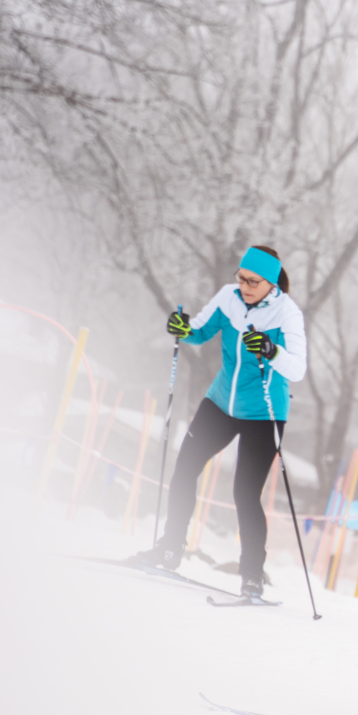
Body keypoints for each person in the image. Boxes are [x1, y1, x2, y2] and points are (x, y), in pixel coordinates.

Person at [135, 246, 307, 599]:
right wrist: (181, 329)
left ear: (271, 284)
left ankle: (252, 576)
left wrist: (271, 350)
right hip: (221, 401)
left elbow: (297, 369)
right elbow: (199, 331)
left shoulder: (288, 314)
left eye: (253, 281)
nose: (244, 286)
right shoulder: (228, 298)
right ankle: (170, 548)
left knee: (245, 492)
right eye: (241, 278)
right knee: (185, 468)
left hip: (264, 412)